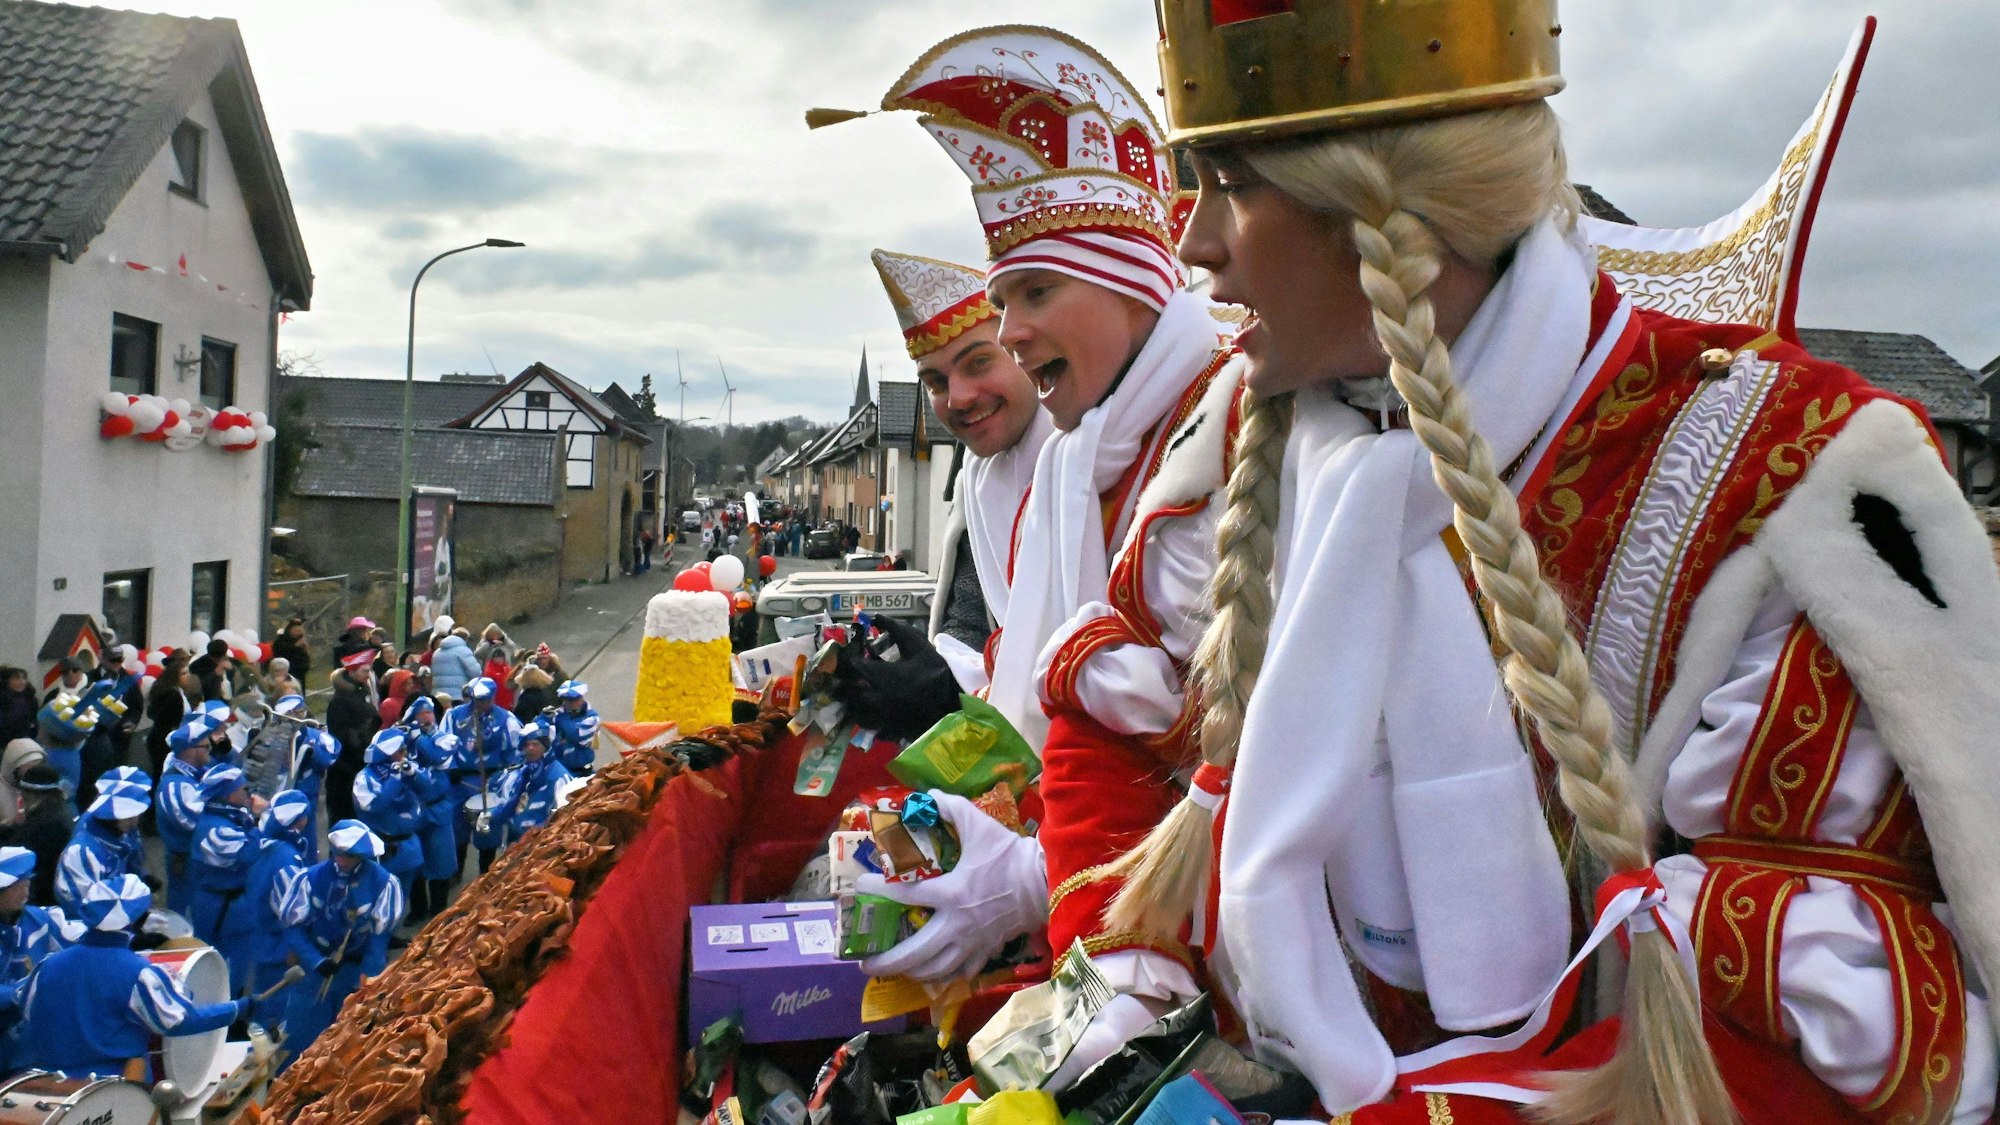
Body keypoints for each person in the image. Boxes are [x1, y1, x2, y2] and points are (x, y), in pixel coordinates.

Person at [1078, 14, 2000, 1123]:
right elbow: (1109, 724)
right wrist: (1128, 981)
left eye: (1228, 183)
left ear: (1386, 223)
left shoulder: (1773, 477)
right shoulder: (1244, 433)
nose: (1194, 245)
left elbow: (1835, 1047)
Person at [828, 27, 1241, 999]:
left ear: (1129, 282)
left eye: (1030, 296)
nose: (1005, 343)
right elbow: (1047, 679)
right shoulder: (1062, 464)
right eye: (942, 374)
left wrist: (1032, 871)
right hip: (1101, 910)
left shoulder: (1222, 441)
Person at [834, 249, 1052, 732]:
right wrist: (925, 668)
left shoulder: (1097, 463)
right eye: (935, 382)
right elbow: (974, 622)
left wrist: (948, 692)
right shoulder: (977, 476)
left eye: (977, 364)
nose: (957, 399)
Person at [21, 873, 249, 1079]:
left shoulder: (47, 965)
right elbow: (179, 1020)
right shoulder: (137, 972)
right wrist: (239, 1008)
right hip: (116, 1086)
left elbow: (29, 1013)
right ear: (136, 919)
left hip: (52, 1086)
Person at [278, 820, 404, 1065]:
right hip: (315, 971)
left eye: (349, 856)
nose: (341, 861)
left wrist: (369, 979)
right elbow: (292, 929)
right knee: (301, 1039)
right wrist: (316, 960)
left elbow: (379, 939)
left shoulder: (384, 883)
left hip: (355, 971)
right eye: (337, 854)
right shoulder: (310, 879)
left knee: (350, 1044)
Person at [187, 765, 264, 991]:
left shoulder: (225, 816)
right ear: (230, 795)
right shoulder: (215, 829)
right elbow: (247, 853)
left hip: (229, 904)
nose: (248, 794)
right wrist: (260, 821)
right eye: (243, 789)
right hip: (221, 907)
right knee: (225, 966)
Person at [241, 789, 311, 1030]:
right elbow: (291, 911)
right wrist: (296, 946)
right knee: (278, 1014)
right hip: (279, 948)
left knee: (264, 1000)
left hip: (263, 941)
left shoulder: (266, 847)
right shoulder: (285, 859)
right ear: (300, 820)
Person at [446, 678, 521, 876]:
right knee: (457, 829)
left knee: (488, 830)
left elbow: (515, 750)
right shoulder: (454, 716)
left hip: (489, 781)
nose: (481, 704)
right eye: (477, 699)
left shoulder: (506, 719)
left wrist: (504, 775)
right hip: (461, 780)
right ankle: (456, 871)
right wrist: (451, 766)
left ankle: (484, 875)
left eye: (486, 699)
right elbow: (443, 742)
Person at [352, 728, 433, 909]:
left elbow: (428, 791)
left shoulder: (406, 768)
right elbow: (373, 806)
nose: (406, 754)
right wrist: (395, 780)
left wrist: (413, 775)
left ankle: (393, 932)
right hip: (384, 849)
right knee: (378, 902)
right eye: (402, 750)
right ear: (390, 753)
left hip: (407, 845)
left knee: (399, 900)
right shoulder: (365, 777)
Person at [0, 846, 65, 1070]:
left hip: (31, 1047)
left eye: (27, 880)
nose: (25, 887)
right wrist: (22, 991)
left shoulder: (38, 919)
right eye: (16, 883)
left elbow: (78, 944)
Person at [399, 697, 461, 922]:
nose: (426, 717)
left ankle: (439, 911)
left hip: (438, 809)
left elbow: (437, 756)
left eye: (430, 712)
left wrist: (420, 738)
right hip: (413, 811)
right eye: (420, 713)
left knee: (440, 862)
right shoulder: (402, 739)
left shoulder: (444, 737)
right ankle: (417, 909)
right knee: (416, 863)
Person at [55, 774, 150, 917]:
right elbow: (83, 907)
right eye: (129, 817)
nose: (134, 823)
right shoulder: (81, 853)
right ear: (111, 818)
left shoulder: (118, 836)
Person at [153, 714, 217, 913]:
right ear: (190, 750)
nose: (210, 751)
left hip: (194, 858)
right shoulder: (175, 785)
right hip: (185, 860)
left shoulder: (194, 774)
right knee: (185, 909)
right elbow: (192, 822)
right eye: (206, 747)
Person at [485, 721, 571, 849]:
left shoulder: (559, 777)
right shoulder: (525, 773)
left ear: (545, 747)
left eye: (535, 744)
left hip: (538, 847)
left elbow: (565, 818)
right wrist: (491, 814)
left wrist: (534, 837)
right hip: (515, 841)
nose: (530, 748)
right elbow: (512, 802)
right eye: (526, 745)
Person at [323, 648, 379, 824]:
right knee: (345, 812)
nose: (368, 675)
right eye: (365, 671)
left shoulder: (360, 692)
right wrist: (360, 739)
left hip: (358, 759)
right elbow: (340, 731)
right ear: (352, 671)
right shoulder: (341, 699)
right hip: (346, 766)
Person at [4, 765, 69, 907]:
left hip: (39, 895)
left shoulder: (43, 823)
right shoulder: (59, 812)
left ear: (29, 794)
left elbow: (14, 854)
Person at [142, 650, 193, 782]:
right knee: (162, 773)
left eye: (187, 673)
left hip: (162, 737)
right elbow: (174, 719)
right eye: (183, 674)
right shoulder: (172, 694)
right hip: (165, 740)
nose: (187, 676)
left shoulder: (177, 691)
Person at [550, 680, 599, 776]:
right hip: (561, 769)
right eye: (568, 699)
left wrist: (560, 718)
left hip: (583, 771)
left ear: (582, 697)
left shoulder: (592, 717)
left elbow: (576, 735)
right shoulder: (558, 715)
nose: (572, 703)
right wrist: (544, 716)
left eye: (576, 699)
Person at [429, 625, 481, 700]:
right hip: (457, 695)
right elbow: (476, 672)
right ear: (465, 639)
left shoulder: (437, 652)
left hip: (438, 696)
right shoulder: (463, 651)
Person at [0, 667, 37, 745]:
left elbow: (34, 720)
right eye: (17, 678)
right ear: (7, 681)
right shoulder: (3, 699)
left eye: (24, 678)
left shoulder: (30, 698)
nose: (22, 681)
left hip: (26, 740)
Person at [271, 616, 312, 685]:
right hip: (287, 672)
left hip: (300, 673)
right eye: (295, 630)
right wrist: (295, 646)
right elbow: (280, 652)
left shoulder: (301, 640)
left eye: (299, 630)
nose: (297, 632)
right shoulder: (282, 640)